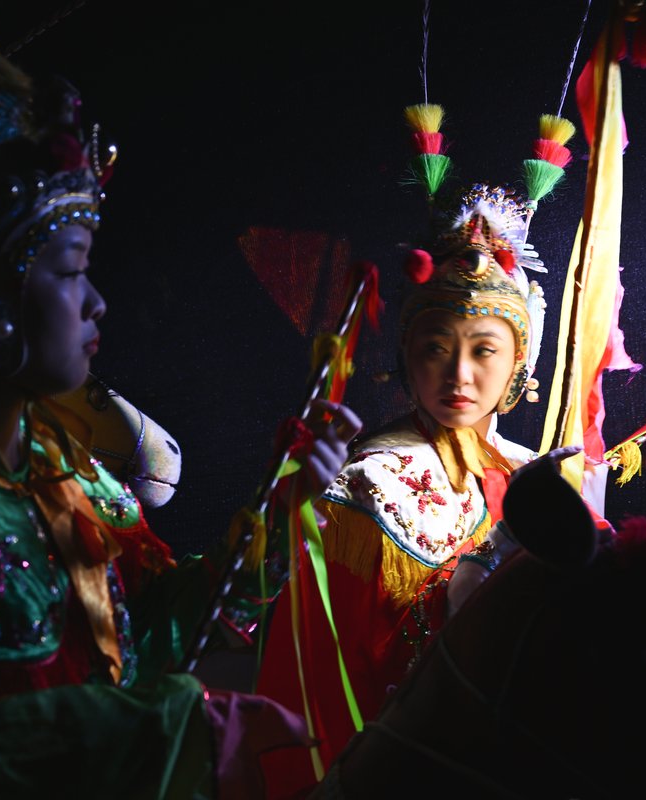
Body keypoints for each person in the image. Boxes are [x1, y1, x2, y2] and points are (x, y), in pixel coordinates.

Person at [0, 13, 361, 798]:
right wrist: (149, 726)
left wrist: (280, 506)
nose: (97, 304)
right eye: (68, 271)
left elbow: (159, 632)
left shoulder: (70, 477)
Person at [254, 182, 593, 796]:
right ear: (407, 358)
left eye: (484, 351)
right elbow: (346, 670)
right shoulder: (369, 486)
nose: (458, 376)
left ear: (519, 365)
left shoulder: (533, 471)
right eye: (435, 349)